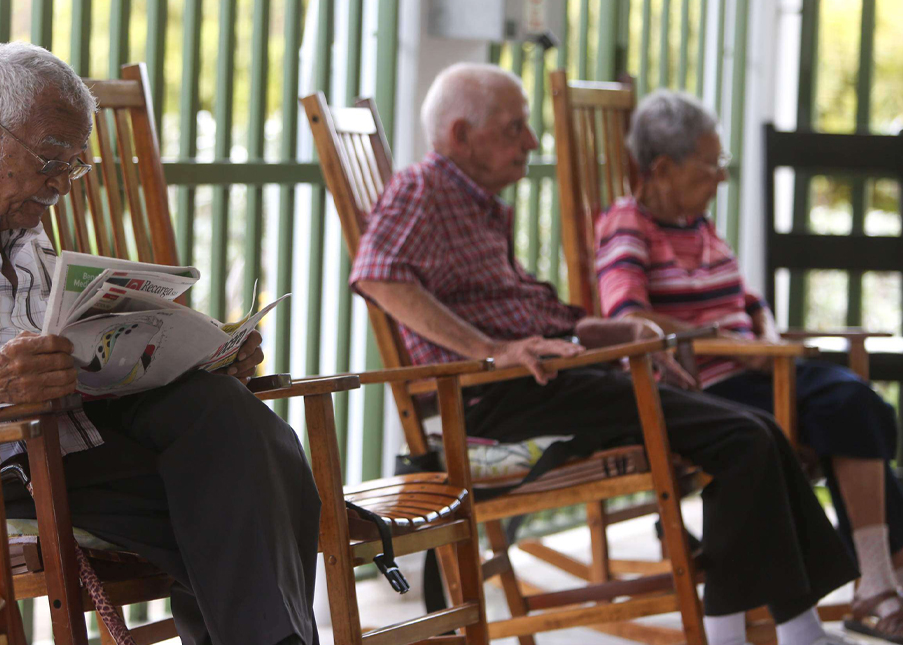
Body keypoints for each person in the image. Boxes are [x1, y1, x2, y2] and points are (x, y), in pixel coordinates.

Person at [0, 42, 318, 645]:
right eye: (51, 161)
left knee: (235, 421)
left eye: (74, 167)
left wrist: (195, 356)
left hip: (62, 452)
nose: (61, 186)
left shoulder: (23, 228)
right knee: (239, 498)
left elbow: (74, 354)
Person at [349, 62, 859, 645]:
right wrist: (491, 351)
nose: (532, 141)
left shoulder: (476, 205)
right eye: (515, 128)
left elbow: (522, 314)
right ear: (462, 135)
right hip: (505, 403)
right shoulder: (425, 187)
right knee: (743, 438)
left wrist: (602, 332)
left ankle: (796, 629)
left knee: (756, 431)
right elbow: (379, 275)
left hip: (555, 376)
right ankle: (752, 633)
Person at [595, 88, 903, 642]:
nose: (722, 178)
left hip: (757, 368)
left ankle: (879, 580)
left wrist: (763, 330)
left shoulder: (699, 224)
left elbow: (746, 298)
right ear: (661, 168)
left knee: (861, 405)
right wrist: (724, 341)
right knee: (847, 406)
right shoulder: (627, 227)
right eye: (711, 166)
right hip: (709, 387)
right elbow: (629, 316)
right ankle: (879, 581)